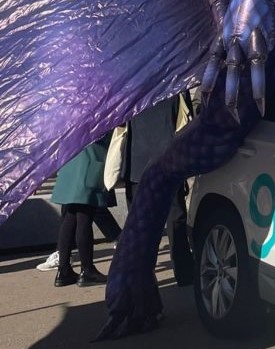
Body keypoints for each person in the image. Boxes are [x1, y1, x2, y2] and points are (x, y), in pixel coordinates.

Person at [123, 94, 194, 286]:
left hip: (137, 164)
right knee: (175, 218)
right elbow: (188, 123)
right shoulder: (177, 85)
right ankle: (183, 270)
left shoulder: (133, 87)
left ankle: (140, 275)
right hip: (168, 161)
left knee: (141, 225)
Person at [50, 135, 114, 286]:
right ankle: (87, 270)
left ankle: (63, 270)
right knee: (84, 218)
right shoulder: (97, 112)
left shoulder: (68, 113)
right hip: (89, 162)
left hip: (70, 162)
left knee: (69, 217)